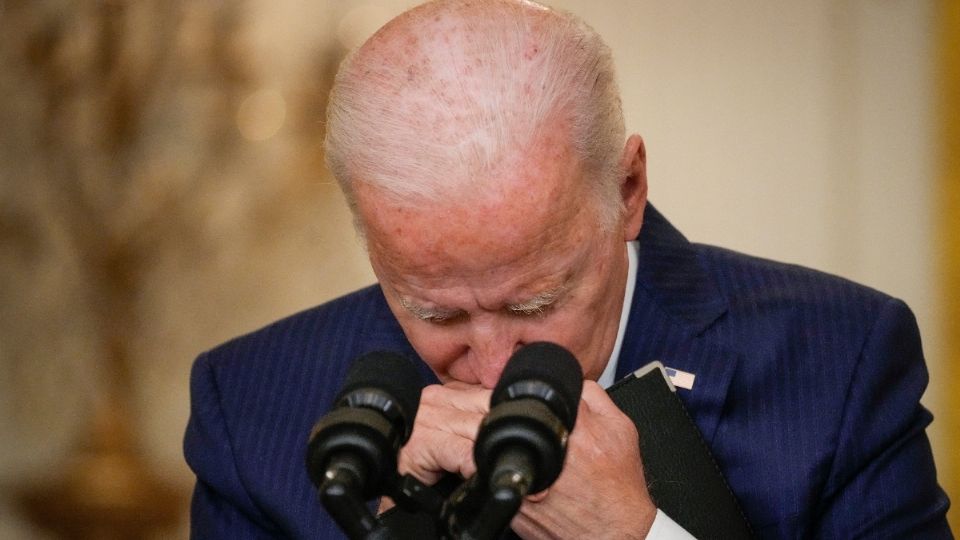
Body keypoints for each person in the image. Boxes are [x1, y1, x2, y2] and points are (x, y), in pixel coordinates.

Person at [183, 0, 952, 538]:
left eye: (535, 303)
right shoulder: (250, 408)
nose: (489, 365)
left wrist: (635, 535)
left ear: (628, 191)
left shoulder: (837, 362)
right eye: (436, 311)